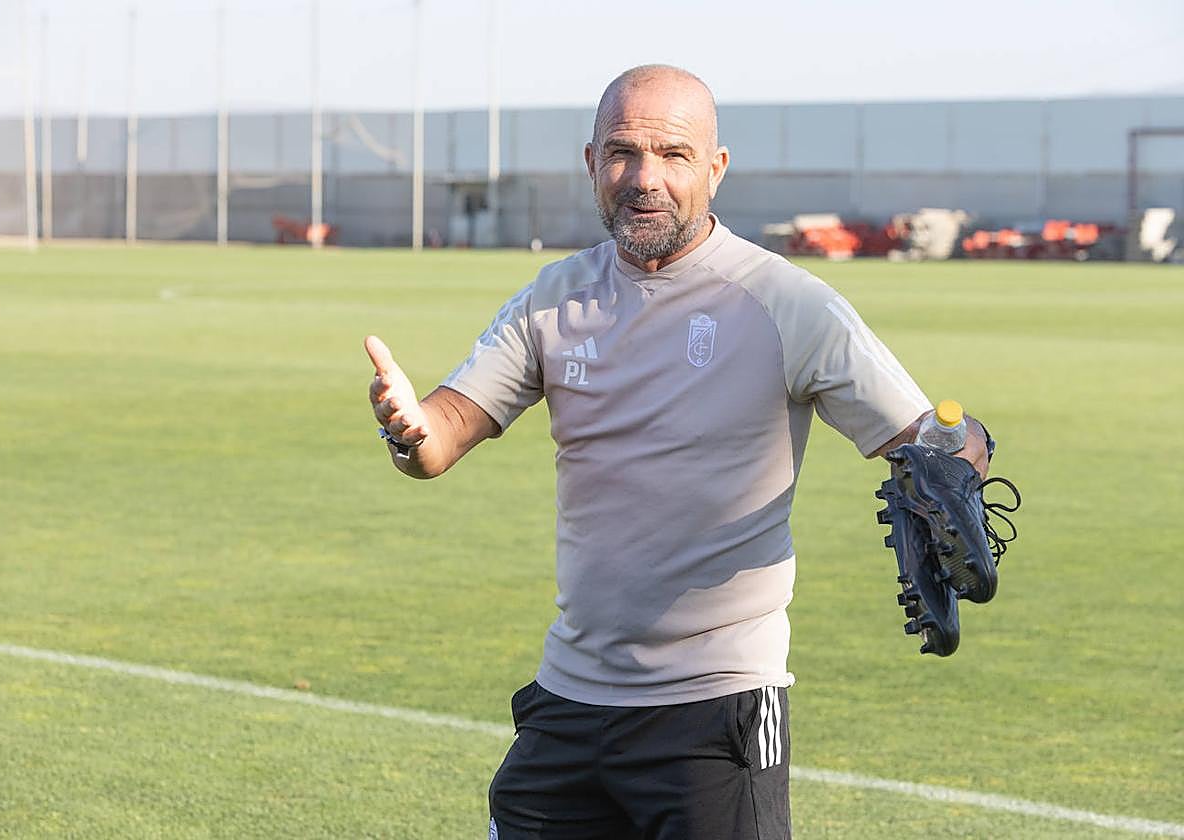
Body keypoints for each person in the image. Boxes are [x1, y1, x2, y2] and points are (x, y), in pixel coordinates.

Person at [365, 64, 989, 840]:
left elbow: (928, 435)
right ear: (592, 163)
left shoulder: (787, 303)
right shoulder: (554, 298)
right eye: (623, 153)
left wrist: (962, 458)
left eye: (674, 154)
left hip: (717, 712)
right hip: (573, 700)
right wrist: (408, 424)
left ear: (716, 169)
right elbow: (444, 430)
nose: (645, 178)